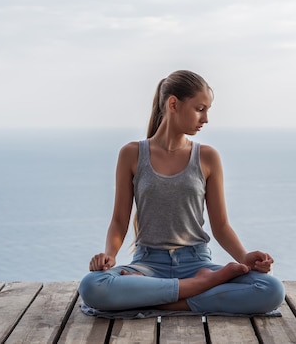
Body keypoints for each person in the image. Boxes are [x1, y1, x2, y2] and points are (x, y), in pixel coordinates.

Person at [79, 70, 284, 314]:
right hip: (147, 265)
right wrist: (109, 256)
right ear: (174, 104)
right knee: (93, 286)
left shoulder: (207, 157)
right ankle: (201, 286)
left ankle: (167, 297)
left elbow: (221, 225)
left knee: (271, 288)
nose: (205, 118)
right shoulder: (131, 154)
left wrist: (244, 256)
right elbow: (119, 220)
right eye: (200, 109)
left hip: (195, 261)